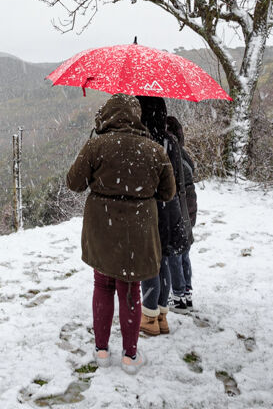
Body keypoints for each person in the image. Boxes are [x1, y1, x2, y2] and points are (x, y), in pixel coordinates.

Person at [67, 94, 176, 374]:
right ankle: (130, 356)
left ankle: (101, 350)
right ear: (135, 117)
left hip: (102, 230)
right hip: (137, 233)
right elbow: (168, 192)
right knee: (130, 290)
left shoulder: (96, 146)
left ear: (107, 116)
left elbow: (74, 183)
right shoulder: (153, 150)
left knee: (102, 286)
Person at [136, 97, 191, 336]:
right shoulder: (170, 142)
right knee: (164, 260)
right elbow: (179, 179)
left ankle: (149, 319)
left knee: (150, 263)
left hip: (151, 209)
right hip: (171, 208)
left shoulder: (142, 143)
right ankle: (162, 316)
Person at [165, 115, 197, 310]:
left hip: (179, 204)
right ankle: (186, 291)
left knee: (174, 251)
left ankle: (177, 296)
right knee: (184, 249)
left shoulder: (171, 153)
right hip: (190, 203)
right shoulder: (183, 153)